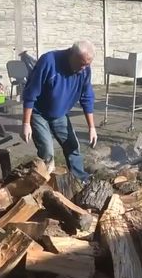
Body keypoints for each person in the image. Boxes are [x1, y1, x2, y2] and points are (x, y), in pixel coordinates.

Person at [21, 40, 97, 181]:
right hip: (38, 113)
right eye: (81, 63)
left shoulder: (85, 69)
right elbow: (30, 93)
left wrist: (91, 127)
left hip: (60, 113)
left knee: (73, 147)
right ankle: (45, 184)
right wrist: (26, 124)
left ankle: (80, 180)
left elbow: (87, 98)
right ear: (71, 54)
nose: (84, 68)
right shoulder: (49, 62)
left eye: (87, 64)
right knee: (47, 152)